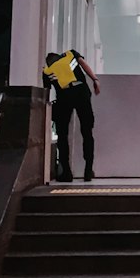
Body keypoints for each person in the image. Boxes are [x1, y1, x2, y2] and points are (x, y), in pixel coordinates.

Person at [42, 49, 100, 182]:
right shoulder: (70, 54)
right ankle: (88, 170)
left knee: (62, 135)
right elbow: (85, 66)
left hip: (64, 98)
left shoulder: (47, 71)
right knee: (87, 132)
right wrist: (95, 80)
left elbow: (46, 92)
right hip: (81, 93)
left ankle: (66, 172)